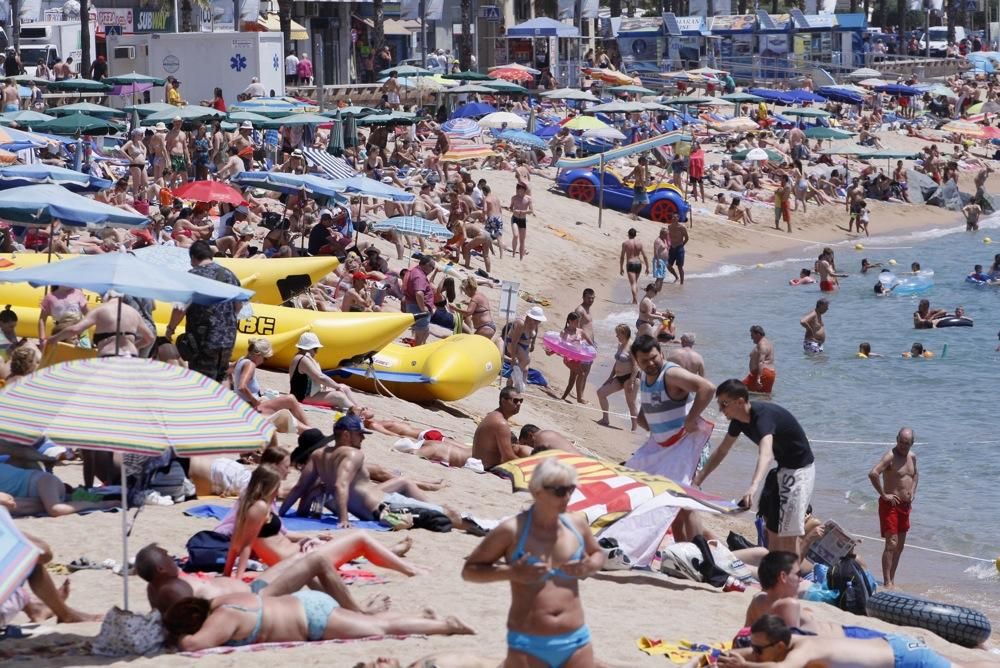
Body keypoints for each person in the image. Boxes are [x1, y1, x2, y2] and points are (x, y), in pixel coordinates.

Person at [462, 458, 605, 668]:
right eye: (559, 491)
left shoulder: (576, 524)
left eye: (571, 489)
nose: (566, 497)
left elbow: (598, 553)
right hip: (529, 644)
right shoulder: (512, 530)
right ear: (537, 491)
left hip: (576, 641)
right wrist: (511, 572)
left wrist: (590, 566)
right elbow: (470, 571)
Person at [280, 415, 464, 529]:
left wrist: (283, 513)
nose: (362, 438)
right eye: (359, 434)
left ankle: (428, 492)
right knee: (447, 515)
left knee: (399, 480)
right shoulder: (350, 455)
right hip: (378, 508)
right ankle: (432, 498)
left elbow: (299, 489)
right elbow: (337, 485)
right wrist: (343, 519)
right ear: (345, 435)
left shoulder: (319, 458)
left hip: (368, 501)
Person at [696, 379, 815, 556]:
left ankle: (792, 577)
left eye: (724, 404)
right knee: (773, 530)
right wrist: (698, 480)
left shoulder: (762, 417)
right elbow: (722, 450)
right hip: (782, 469)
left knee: (789, 534)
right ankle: (775, 574)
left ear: (740, 401)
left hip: (800, 472)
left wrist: (753, 487)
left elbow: (766, 454)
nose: (721, 410)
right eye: (719, 405)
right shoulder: (738, 421)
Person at [137, 540, 392, 617]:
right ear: (160, 569)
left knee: (306, 557)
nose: (171, 558)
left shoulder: (161, 586)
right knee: (317, 561)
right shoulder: (172, 590)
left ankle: (338, 608)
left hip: (252, 588)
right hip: (255, 601)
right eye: (166, 556)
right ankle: (358, 612)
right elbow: (188, 618)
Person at [163, 589, 473, 650]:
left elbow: (192, 644)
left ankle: (445, 626)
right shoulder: (222, 600)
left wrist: (173, 636)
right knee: (361, 621)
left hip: (312, 620)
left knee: (381, 628)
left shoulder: (223, 618)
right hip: (305, 602)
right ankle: (421, 616)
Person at [628, 335, 716, 540]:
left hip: (686, 445)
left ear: (662, 353)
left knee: (686, 501)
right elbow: (645, 413)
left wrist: (691, 419)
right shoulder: (646, 378)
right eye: (644, 360)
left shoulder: (671, 373)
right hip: (663, 448)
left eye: (653, 357)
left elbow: (707, 388)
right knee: (669, 500)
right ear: (637, 361)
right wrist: (651, 424)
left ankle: (698, 551)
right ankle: (681, 550)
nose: (650, 363)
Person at [716, 614, 986, 668]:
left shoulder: (805, 649)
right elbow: (764, 654)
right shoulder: (788, 640)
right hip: (892, 646)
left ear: (780, 647)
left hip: (906, 658)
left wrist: (744, 665)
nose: (756, 652)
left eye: (759, 649)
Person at [745, 551, 885, 638]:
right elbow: (793, 643)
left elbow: (745, 633)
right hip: (842, 638)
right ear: (783, 577)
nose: (801, 579)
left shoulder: (758, 599)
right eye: (798, 574)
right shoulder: (788, 605)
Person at [167, 242, 242, 381]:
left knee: (201, 383)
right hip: (228, 337)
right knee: (220, 379)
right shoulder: (229, 274)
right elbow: (239, 305)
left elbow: (180, 308)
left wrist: (170, 329)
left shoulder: (193, 276)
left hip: (204, 340)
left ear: (193, 258)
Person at [868, 428, 918, 588]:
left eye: (907, 444)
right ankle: (887, 581)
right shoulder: (890, 456)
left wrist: (913, 492)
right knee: (891, 543)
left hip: (905, 506)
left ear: (912, 443)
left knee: (900, 546)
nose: (903, 446)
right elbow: (873, 473)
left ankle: (892, 579)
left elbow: (915, 474)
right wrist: (884, 494)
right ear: (897, 439)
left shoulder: (912, 457)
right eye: (901, 442)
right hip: (890, 506)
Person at [232, 338, 312, 432]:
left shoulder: (241, 360)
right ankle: (311, 430)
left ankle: (309, 430)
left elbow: (228, 369)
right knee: (290, 399)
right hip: (250, 407)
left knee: (286, 409)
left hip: (243, 405)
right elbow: (241, 387)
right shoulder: (250, 364)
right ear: (258, 354)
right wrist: (255, 401)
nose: (263, 362)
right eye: (265, 358)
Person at [45, 291, 155, 358]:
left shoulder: (101, 310)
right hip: (131, 356)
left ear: (106, 296)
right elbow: (149, 338)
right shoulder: (133, 312)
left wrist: (54, 338)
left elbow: (75, 330)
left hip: (109, 357)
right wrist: (134, 346)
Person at [288, 332, 361, 410]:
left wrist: (338, 386)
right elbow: (320, 377)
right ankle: (357, 411)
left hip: (310, 394)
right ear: (308, 348)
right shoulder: (303, 359)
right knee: (338, 396)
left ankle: (358, 407)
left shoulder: (302, 357)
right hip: (302, 397)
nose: (317, 352)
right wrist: (336, 386)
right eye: (315, 349)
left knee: (344, 388)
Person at [472, 387, 533, 469]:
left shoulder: (494, 415)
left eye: (521, 401)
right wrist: (529, 467)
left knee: (517, 448)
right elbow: (507, 458)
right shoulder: (501, 423)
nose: (519, 404)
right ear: (503, 401)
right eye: (515, 401)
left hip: (481, 463)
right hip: (487, 467)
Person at [596, 324, 639, 431]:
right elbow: (617, 362)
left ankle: (634, 428)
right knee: (601, 392)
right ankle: (605, 419)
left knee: (631, 402)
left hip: (630, 377)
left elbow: (635, 365)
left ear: (624, 333)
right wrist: (610, 377)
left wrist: (631, 381)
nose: (616, 336)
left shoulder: (632, 346)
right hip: (619, 377)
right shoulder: (620, 345)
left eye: (618, 333)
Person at [504, 306, 545, 393]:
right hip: (513, 343)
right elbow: (514, 341)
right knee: (526, 360)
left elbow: (536, 331)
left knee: (525, 368)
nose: (538, 322)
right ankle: (511, 380)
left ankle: (518, 386)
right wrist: (513, 358)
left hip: (525, 345)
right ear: (530, 317)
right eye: (536, 320)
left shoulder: (535, 323)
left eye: (539, 321)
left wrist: (533, 343)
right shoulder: (521, 323)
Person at [401, 256, 435, 345]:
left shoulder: (415, 270)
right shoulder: (419, 276)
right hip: (417, 307)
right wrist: (423, 308)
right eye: (432, 267)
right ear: (427, 265)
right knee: (421, 336)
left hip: (414, 305)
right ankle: (416, 354)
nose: (432, 269)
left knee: (424, 333)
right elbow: (419, 293)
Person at [619, 228, 648, 304]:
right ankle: (634, 300)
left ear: (628, 234)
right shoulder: (639, 243)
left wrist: (621, 268)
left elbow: (622, 256)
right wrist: (647, 267)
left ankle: (635, 300)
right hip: (638, 264)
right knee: (635, 282)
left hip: (630, 264)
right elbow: (645, 256)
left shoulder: (625, 243)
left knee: (633, 283)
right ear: (635, 235)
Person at [745, 325, 776, 394]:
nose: (751, 338)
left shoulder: (762, 344)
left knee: (738, 390)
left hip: (762, 373)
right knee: (764, 396)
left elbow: (761, 362)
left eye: (752, 335)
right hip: (771, 374)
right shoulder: (768, 343)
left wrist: (758, 378)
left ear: (758, 334)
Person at [507, 182, 533, 261]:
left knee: (522, 240)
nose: (520, 191)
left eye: (522, 190)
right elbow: (511, 207)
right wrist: (513, 210)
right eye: (519, 190)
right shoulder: (514, 198)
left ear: (524, 190)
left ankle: (521, 257)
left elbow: (531, 211)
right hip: (514, 218)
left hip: (522, 219)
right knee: (515, 235)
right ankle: (514, 254)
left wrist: (522, 212)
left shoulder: (528, 199)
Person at [626, 156, 650, 221]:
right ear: (642, 161)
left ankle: (632, 214)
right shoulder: (641, 168)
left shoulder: (637, 167)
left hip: (636, 186)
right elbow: (641, 178)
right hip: (640, 186)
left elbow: (631, 174)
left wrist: (626, 179)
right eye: (645, 161)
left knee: (635, 201)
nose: (646, 162)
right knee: (645, 202)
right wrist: (643, 187)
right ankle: (635, 214)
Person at [667, 214, 689, 285]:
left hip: (679, 248)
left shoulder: (682, 228)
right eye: (673, 217)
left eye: (675, 217)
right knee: (669, 266)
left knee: (679, 267)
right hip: (671, 248)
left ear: (678, 218)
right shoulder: (669, 227)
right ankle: (676, 277)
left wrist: (682, 245)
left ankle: (681, 283)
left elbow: (686, 238)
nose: (673, 218)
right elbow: (668, 237)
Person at [652, 227, 670, 293]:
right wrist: (657, 262)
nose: (667, 236)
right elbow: (655, 252)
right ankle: (654, 291)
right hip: (659, 260)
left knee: (662, 277)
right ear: (662, 234)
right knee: (659, 277)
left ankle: (659, 291)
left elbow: (666, 249)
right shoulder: (657, 241)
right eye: (666, 234)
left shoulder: (664, 240)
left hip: (664, 261)